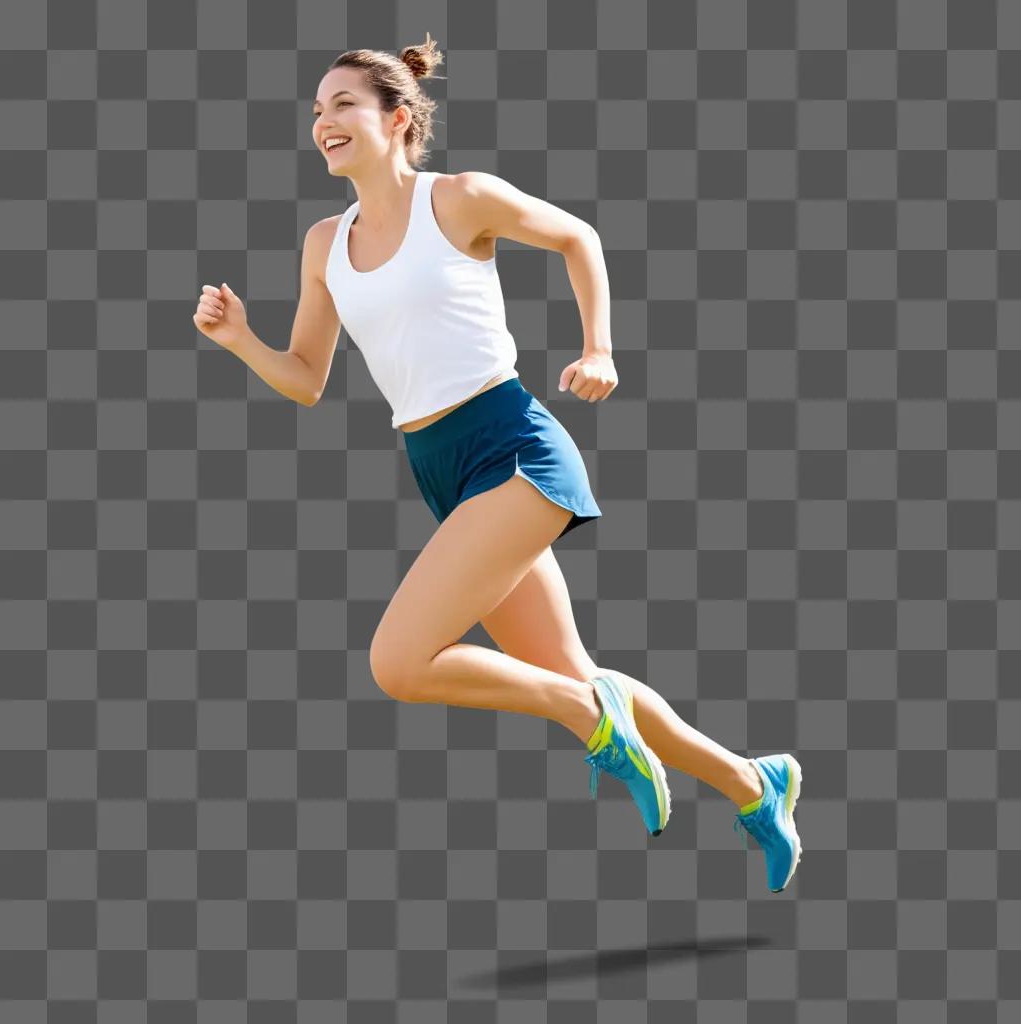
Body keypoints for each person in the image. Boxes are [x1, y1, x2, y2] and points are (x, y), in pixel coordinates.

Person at [192, 33, 803, 892]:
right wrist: (240, 340)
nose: (322, 122)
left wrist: (601, 349)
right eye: (316, 111)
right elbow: (304, 380)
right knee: (571, 666)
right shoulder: (324, 243)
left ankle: (588, 719)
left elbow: (577, 238)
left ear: (397, 119)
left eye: (343, 106)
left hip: (513, 446)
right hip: (438, 466)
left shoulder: (461, 199)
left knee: (399, 663)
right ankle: (753, 782)